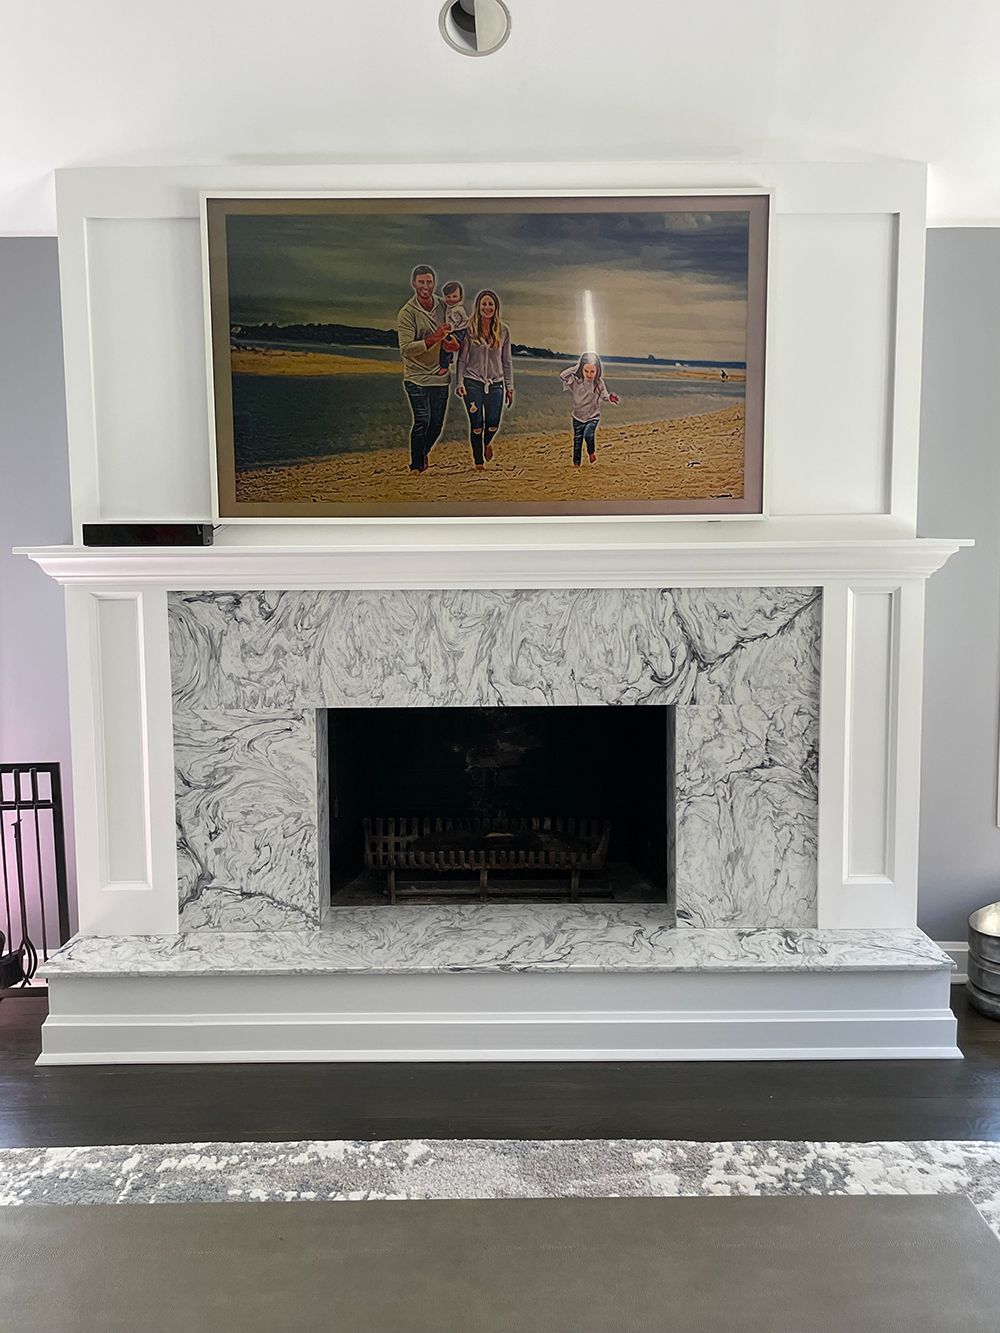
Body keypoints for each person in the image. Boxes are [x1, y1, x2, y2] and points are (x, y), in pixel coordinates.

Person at [396, 265, 459, 472]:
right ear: (413, 283)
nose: (425, 286)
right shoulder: (407, 313)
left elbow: (457, 331)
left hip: (440, 375)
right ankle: (416, 466)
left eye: (429, 282)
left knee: (436, 425)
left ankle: (422, 454)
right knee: (422, 420)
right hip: (416, 376)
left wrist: (454, 344)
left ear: (434, 283)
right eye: (421, 282)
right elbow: (406, 349)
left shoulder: (444, 306)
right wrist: (434, 338)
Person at [455, 289, 514, 469]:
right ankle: (478, 461)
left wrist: (509, 387)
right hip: (472, 381)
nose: (487, 307)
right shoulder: (469, 329)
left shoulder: (503, 330)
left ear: (496, 307)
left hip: (496, 383)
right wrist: (459, 382)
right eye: (484, 304)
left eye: (490, 304)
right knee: (477, 424)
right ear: (478, 306)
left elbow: (506, 361)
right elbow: (462, 358)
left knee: (493, 424)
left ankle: (487, 442)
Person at [558, 352, 620, 466]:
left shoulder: (598, 383)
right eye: (586, 371)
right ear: (582, 369)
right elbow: (563, 376)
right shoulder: (576, 381)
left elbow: (604, 395)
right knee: (577, 441)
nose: (589, 374)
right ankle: (577, 464)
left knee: (588, 435)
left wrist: (610, 397)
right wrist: (577, 366)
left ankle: (591, 452)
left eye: (592, 371)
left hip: (593, 416)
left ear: (597, 371)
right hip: (577, 417)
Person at [436, 280, 469, 377]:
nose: (451, 299)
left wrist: (450, 327)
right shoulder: (450, 307)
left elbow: (458, 321)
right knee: (445, 341)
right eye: (448, 296)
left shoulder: (457, 309)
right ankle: (449, 358)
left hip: (460, 331)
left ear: (460, 297)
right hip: (455, 329)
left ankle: (444, 366)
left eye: (454, 296)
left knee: (446, 343)